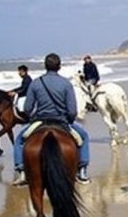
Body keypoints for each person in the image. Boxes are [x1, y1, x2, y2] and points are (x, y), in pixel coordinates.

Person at [12, 53, 91, 186]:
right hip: (61, 121)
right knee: (84, 137)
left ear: (45, 66)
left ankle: (22, 171)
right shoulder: (66, 84)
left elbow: (27, 108)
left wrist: (33, 117)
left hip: (40, 121)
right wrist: (69, 120)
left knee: (19, 140)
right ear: (59, 67)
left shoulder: (36, 83)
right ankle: (82, 172)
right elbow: (72, 111)